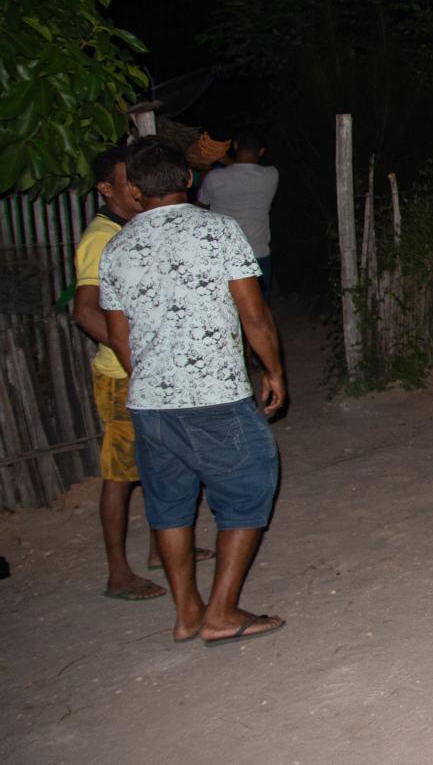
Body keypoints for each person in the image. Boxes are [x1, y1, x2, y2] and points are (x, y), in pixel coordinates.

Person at [100, 137, 288, 646]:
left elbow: (119, 337)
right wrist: (272, 371)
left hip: (149, 402)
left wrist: (155, 377)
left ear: (135, 191)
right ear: (188, 179)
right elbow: (254, 314)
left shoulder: (117, 247)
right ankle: (221, 612)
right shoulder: (218, 231)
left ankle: (187, 612)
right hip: (215, 395)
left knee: (169, 506)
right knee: (249, 491)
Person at [73, 146, 214, 602]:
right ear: (107, 189)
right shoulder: (101, 238)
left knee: (159, 463)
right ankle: (118, 573)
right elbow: (86, 312)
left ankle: (162, 548)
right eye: (125, 180)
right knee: (120, 475)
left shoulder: (133, 228)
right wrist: (134, 358)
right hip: (122, 376)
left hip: (142, 370)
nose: (136, 187)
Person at [198, 131, 279, 298]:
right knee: (259, 310)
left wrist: (222, 161)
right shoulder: (271, 175)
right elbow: (243, 173)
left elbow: (200, 207)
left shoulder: (215, 177)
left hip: (223, 256)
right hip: (257, 254)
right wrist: (228, 162)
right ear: (262, 151)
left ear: (235, 146)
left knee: (227, 312)